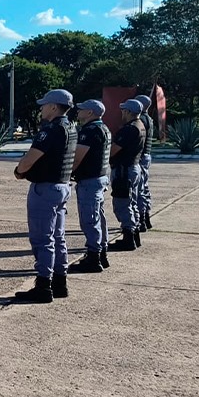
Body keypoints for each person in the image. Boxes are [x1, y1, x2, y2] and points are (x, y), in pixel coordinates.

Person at [13, 89, 78, 303]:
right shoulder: (71, 127)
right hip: (62, 186)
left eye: (44, 105)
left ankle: (43, 285)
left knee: (42, 239)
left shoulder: (51, 129)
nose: (41, 108)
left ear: (53, 107)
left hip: (46, 188)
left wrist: (19, 171)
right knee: (58, 237)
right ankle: (60, 282)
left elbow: (30, 159)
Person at [68, 100, 111, 274]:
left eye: (82, 110)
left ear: (90, 113)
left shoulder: (90, 131)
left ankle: (94, 257)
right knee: (98, 217)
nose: (78, 112)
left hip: (90, 181)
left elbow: (77, 158)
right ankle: (102, 253)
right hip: (99, 178)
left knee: (90, 220)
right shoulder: (104, 128)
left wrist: (66, 173)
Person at [109, 99, 146, 251]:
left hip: (124, 170)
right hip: (134, 167)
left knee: (122, 204)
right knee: (131, 203)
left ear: (129, 112)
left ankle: (128, 237)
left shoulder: (129, 129)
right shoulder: (141, 125)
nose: (122, 113)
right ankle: (134, 234)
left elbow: (113, 150)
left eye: (124, 110)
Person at [134, 94, 155, 231]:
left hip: (140, 157)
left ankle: (141, 219)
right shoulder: (149, 119)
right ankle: (145, 216)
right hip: (147, 155)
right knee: (144, 187)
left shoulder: (141, 119)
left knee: (139, 189)